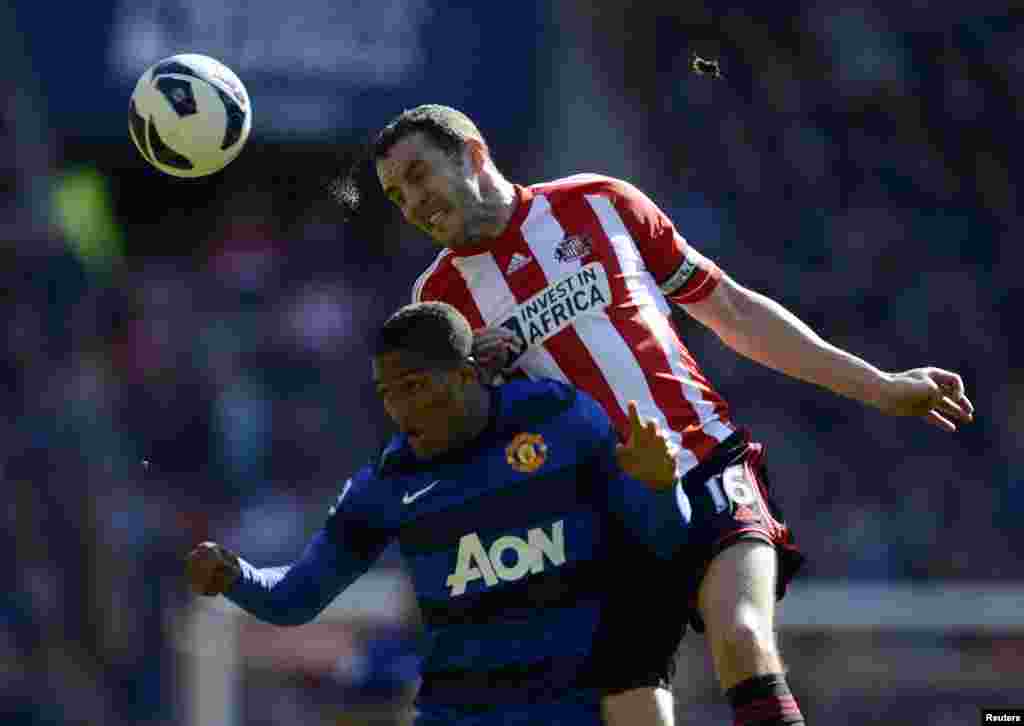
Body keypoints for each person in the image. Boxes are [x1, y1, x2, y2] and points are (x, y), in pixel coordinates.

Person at [369, 104, 976, 726]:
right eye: (396, 195)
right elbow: (457, 446)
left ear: (473, 154)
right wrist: (479, 390)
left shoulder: (599, 203)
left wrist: (879, 385)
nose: (412, 202)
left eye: (420, 175)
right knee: (635, 710)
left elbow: (731, 310)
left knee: (741, 637)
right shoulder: (438, 305)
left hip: (705, 458)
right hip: (607, 516)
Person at [186, 301, 736, 726]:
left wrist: (661, 488)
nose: (402, 409)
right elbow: (295, 598)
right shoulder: (388, 483)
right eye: (387, 394)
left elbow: (664, 545)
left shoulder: (559, 420)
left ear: (468, 374)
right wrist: (236, 577)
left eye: (415, 387)